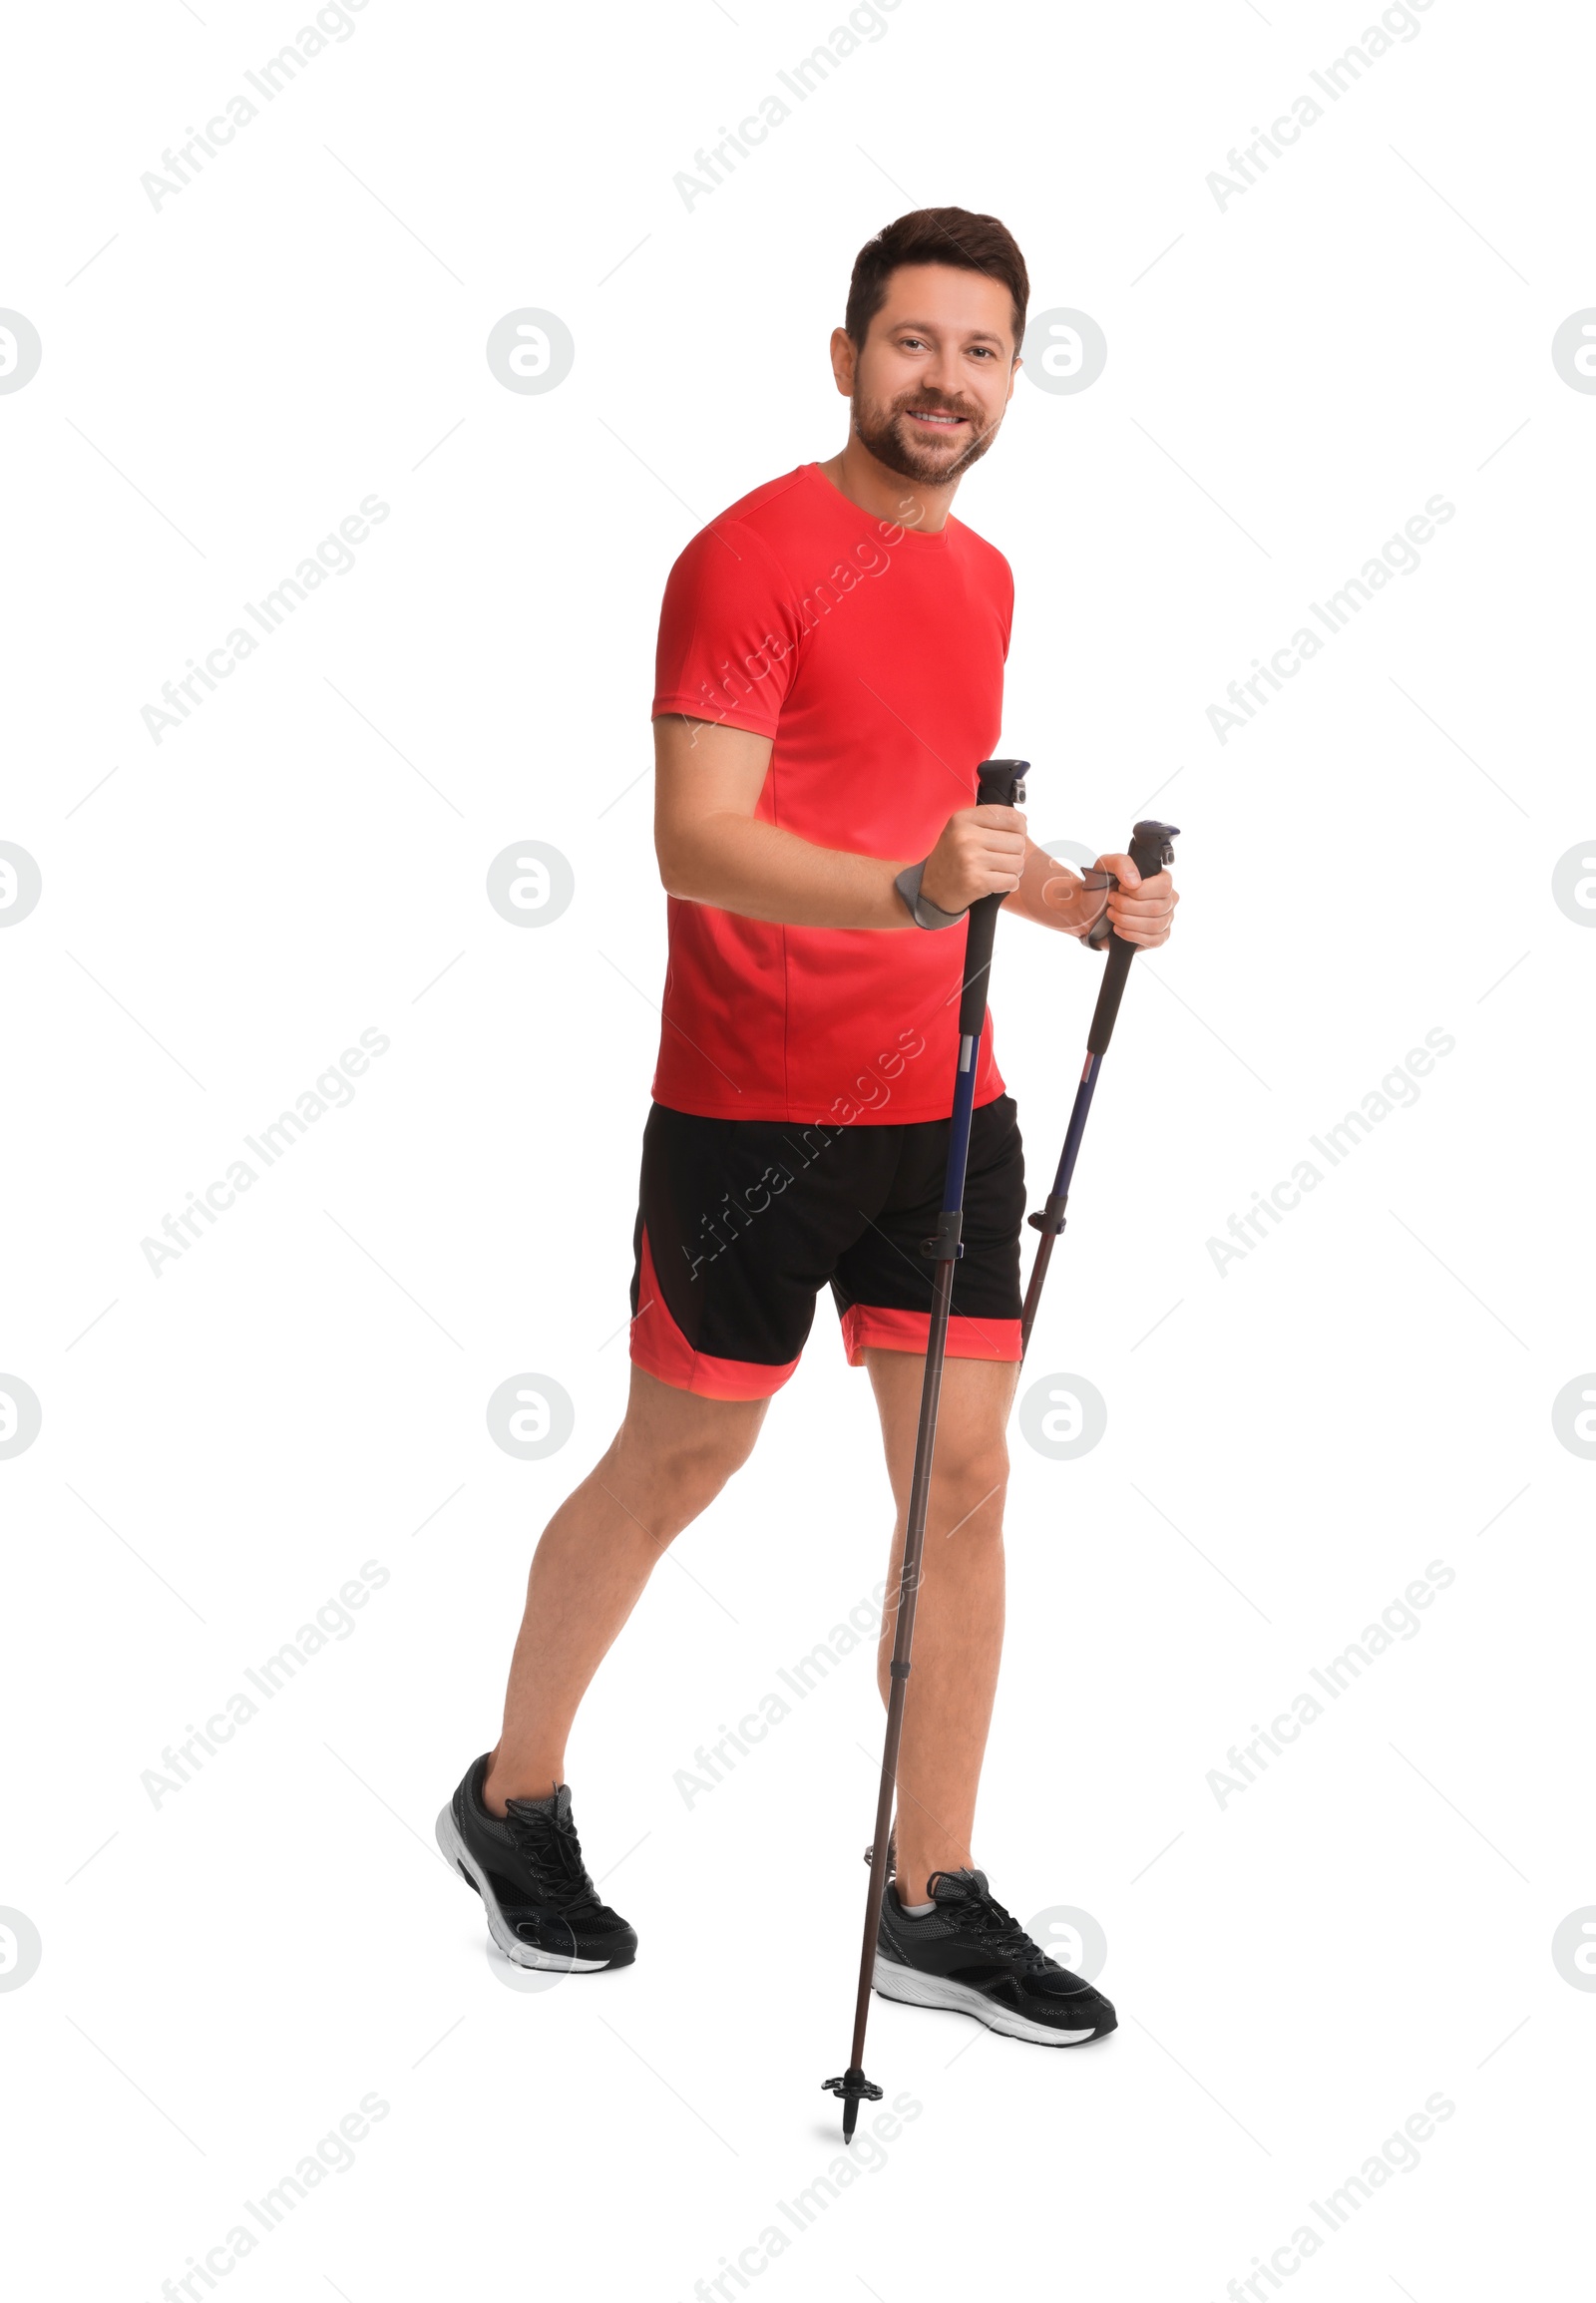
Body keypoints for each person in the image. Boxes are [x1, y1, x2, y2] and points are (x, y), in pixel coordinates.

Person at [438, 206, 1178, 2048]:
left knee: (972, 1477)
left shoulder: (986, 575)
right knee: (683, 1461)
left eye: (983, 351)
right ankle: (510, 1795)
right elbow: (703, 836)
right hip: (753, 1109)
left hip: (948, 1099)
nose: (948, 380)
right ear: (846, 357)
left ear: (1018, 375)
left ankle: (930, 1896)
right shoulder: (747, 557)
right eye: (915, 344)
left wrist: (1082, 900)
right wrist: (930, 889)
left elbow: (941, 831)